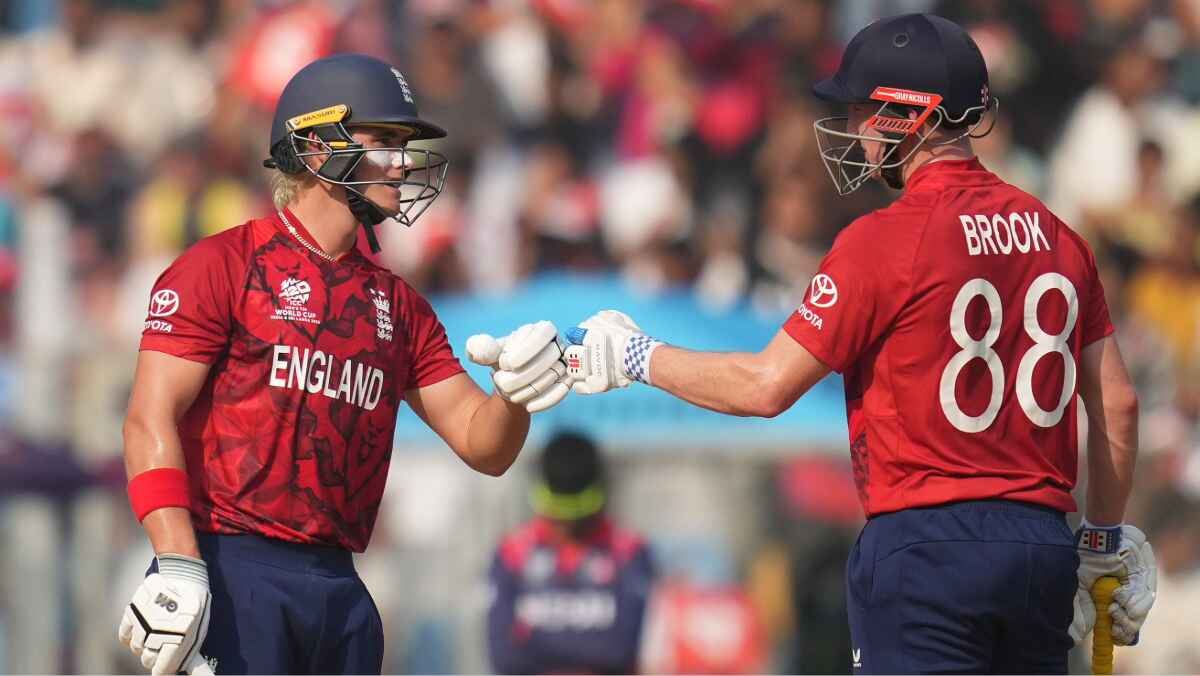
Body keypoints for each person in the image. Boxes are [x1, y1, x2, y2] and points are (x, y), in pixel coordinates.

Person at [562, 13, 1157, 674]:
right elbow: (1118, 405)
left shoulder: (881, 241)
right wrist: (1101, 540)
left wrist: (635, 356)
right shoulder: (1058, 235)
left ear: (910, 115)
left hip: (925, 546)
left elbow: (764, 387)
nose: (855, 131)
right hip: (1041, 544)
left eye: (863, 112)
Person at [117, 53, 572, 676]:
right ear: (315, 145)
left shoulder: (399, 304)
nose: (402, 162)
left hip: (339, 587)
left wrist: (515, 392)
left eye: (402, 144)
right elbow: (148, 419)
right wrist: (177, 562)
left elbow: (483, 444)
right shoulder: (223, 264)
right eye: (383, 140)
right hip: (230, 570)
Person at [486, 431, 655, 674]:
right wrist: (588, 647)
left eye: (577, 518)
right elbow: (504, 657)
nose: (566, 526)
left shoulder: (629, 552)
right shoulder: (512, 553)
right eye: (559, 516)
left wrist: (536, 644)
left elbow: (622, 650)